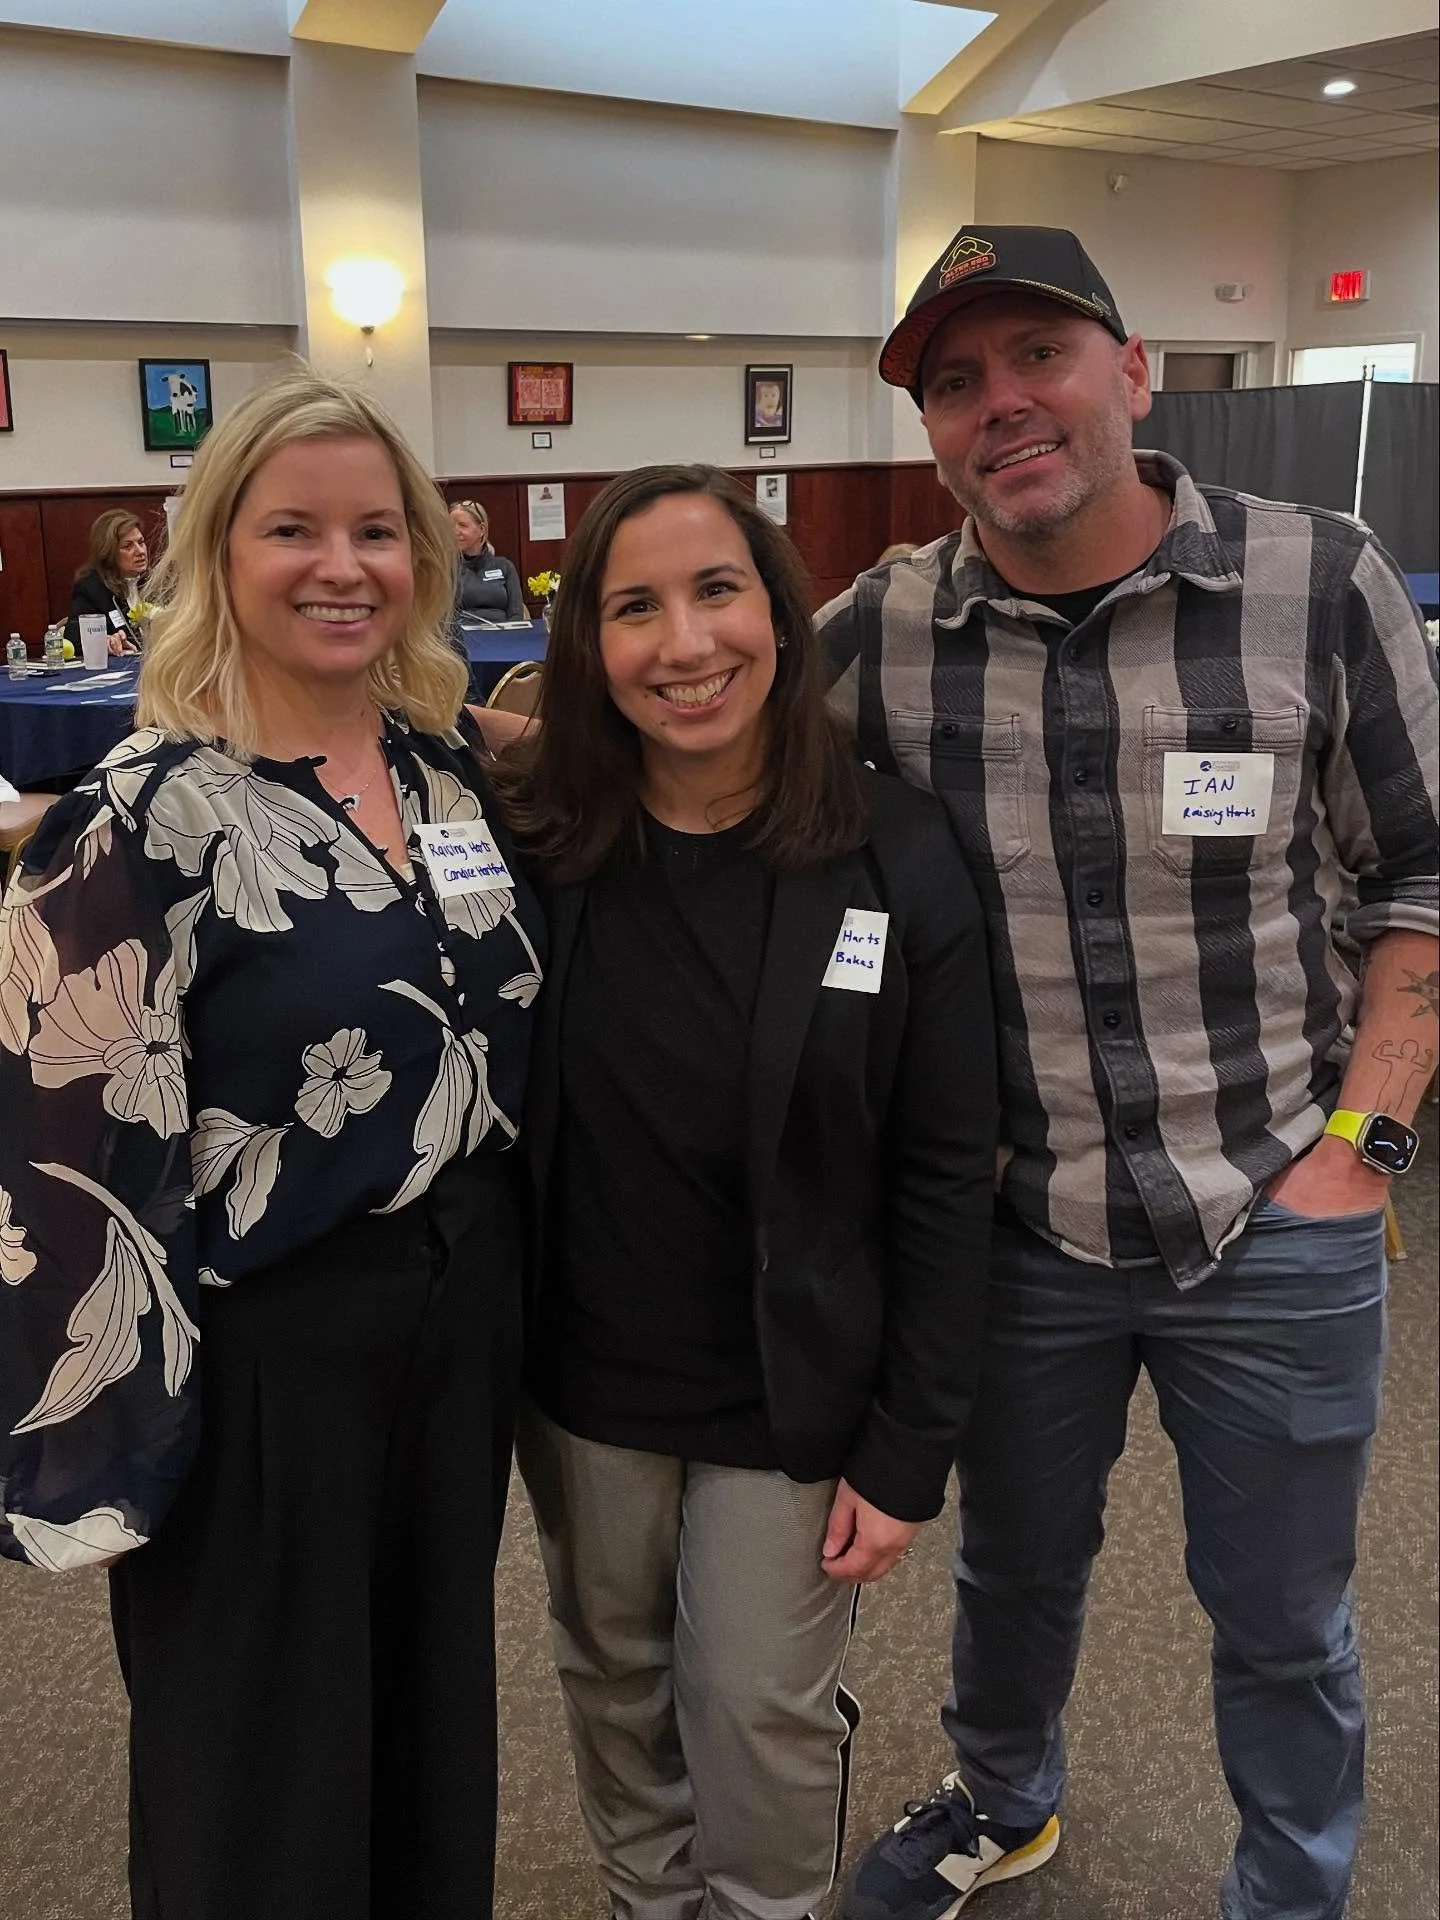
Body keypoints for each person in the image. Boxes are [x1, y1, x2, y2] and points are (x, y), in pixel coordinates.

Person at [822, 226, 1439, 1920]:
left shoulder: (1321, 577)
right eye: (956, 383)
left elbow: (1422, 875)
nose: (1000, 405)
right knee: (1014, 1570)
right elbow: (670, 728)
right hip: (1022, 1229)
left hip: (1282, 1208)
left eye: (1038, 357)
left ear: (1132, 368)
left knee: (1284, 1617)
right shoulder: (884, 631)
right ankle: (1002, 1802)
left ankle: (1293, 1889)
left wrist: (1362, 1145)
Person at [0, 367, 543, 1919]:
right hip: (253, 1349)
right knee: (257, 1753)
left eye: (379, 530)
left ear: (423, 561)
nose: (341, 563)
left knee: (429, 1704)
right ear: (216, 554)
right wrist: (90, 1456)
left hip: (456, 1315)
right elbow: (55, 1147)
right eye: (291, 527)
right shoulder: (131, 820)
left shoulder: (448, 771)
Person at [491, 463, 996, 1920]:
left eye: (717, 591)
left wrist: (912, 1448)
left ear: (781, 613)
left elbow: (950, 1169)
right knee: (615, 1683)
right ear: (588, 643)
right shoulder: (541, 838)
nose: (685, 643)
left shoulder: (896, 851)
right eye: (633, 608)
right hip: (584, 1380)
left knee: (758, 1710)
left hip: (794, 1390)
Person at [66, 508, 149, 653]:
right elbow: (74, 639)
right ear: (109, 552)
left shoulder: (156, 582)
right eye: (127, 546)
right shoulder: (92, 588)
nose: (140, 552)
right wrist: (103, 641)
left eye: (141, 543)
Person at [450, 497, 526, 623]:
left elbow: (516, 614)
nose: (455, 531)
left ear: (482, 530)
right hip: (465, 637)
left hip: (503, 636)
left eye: (462, 525)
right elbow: (446, 618)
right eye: (451, 526)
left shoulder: (505, 566)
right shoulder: (447, 569)